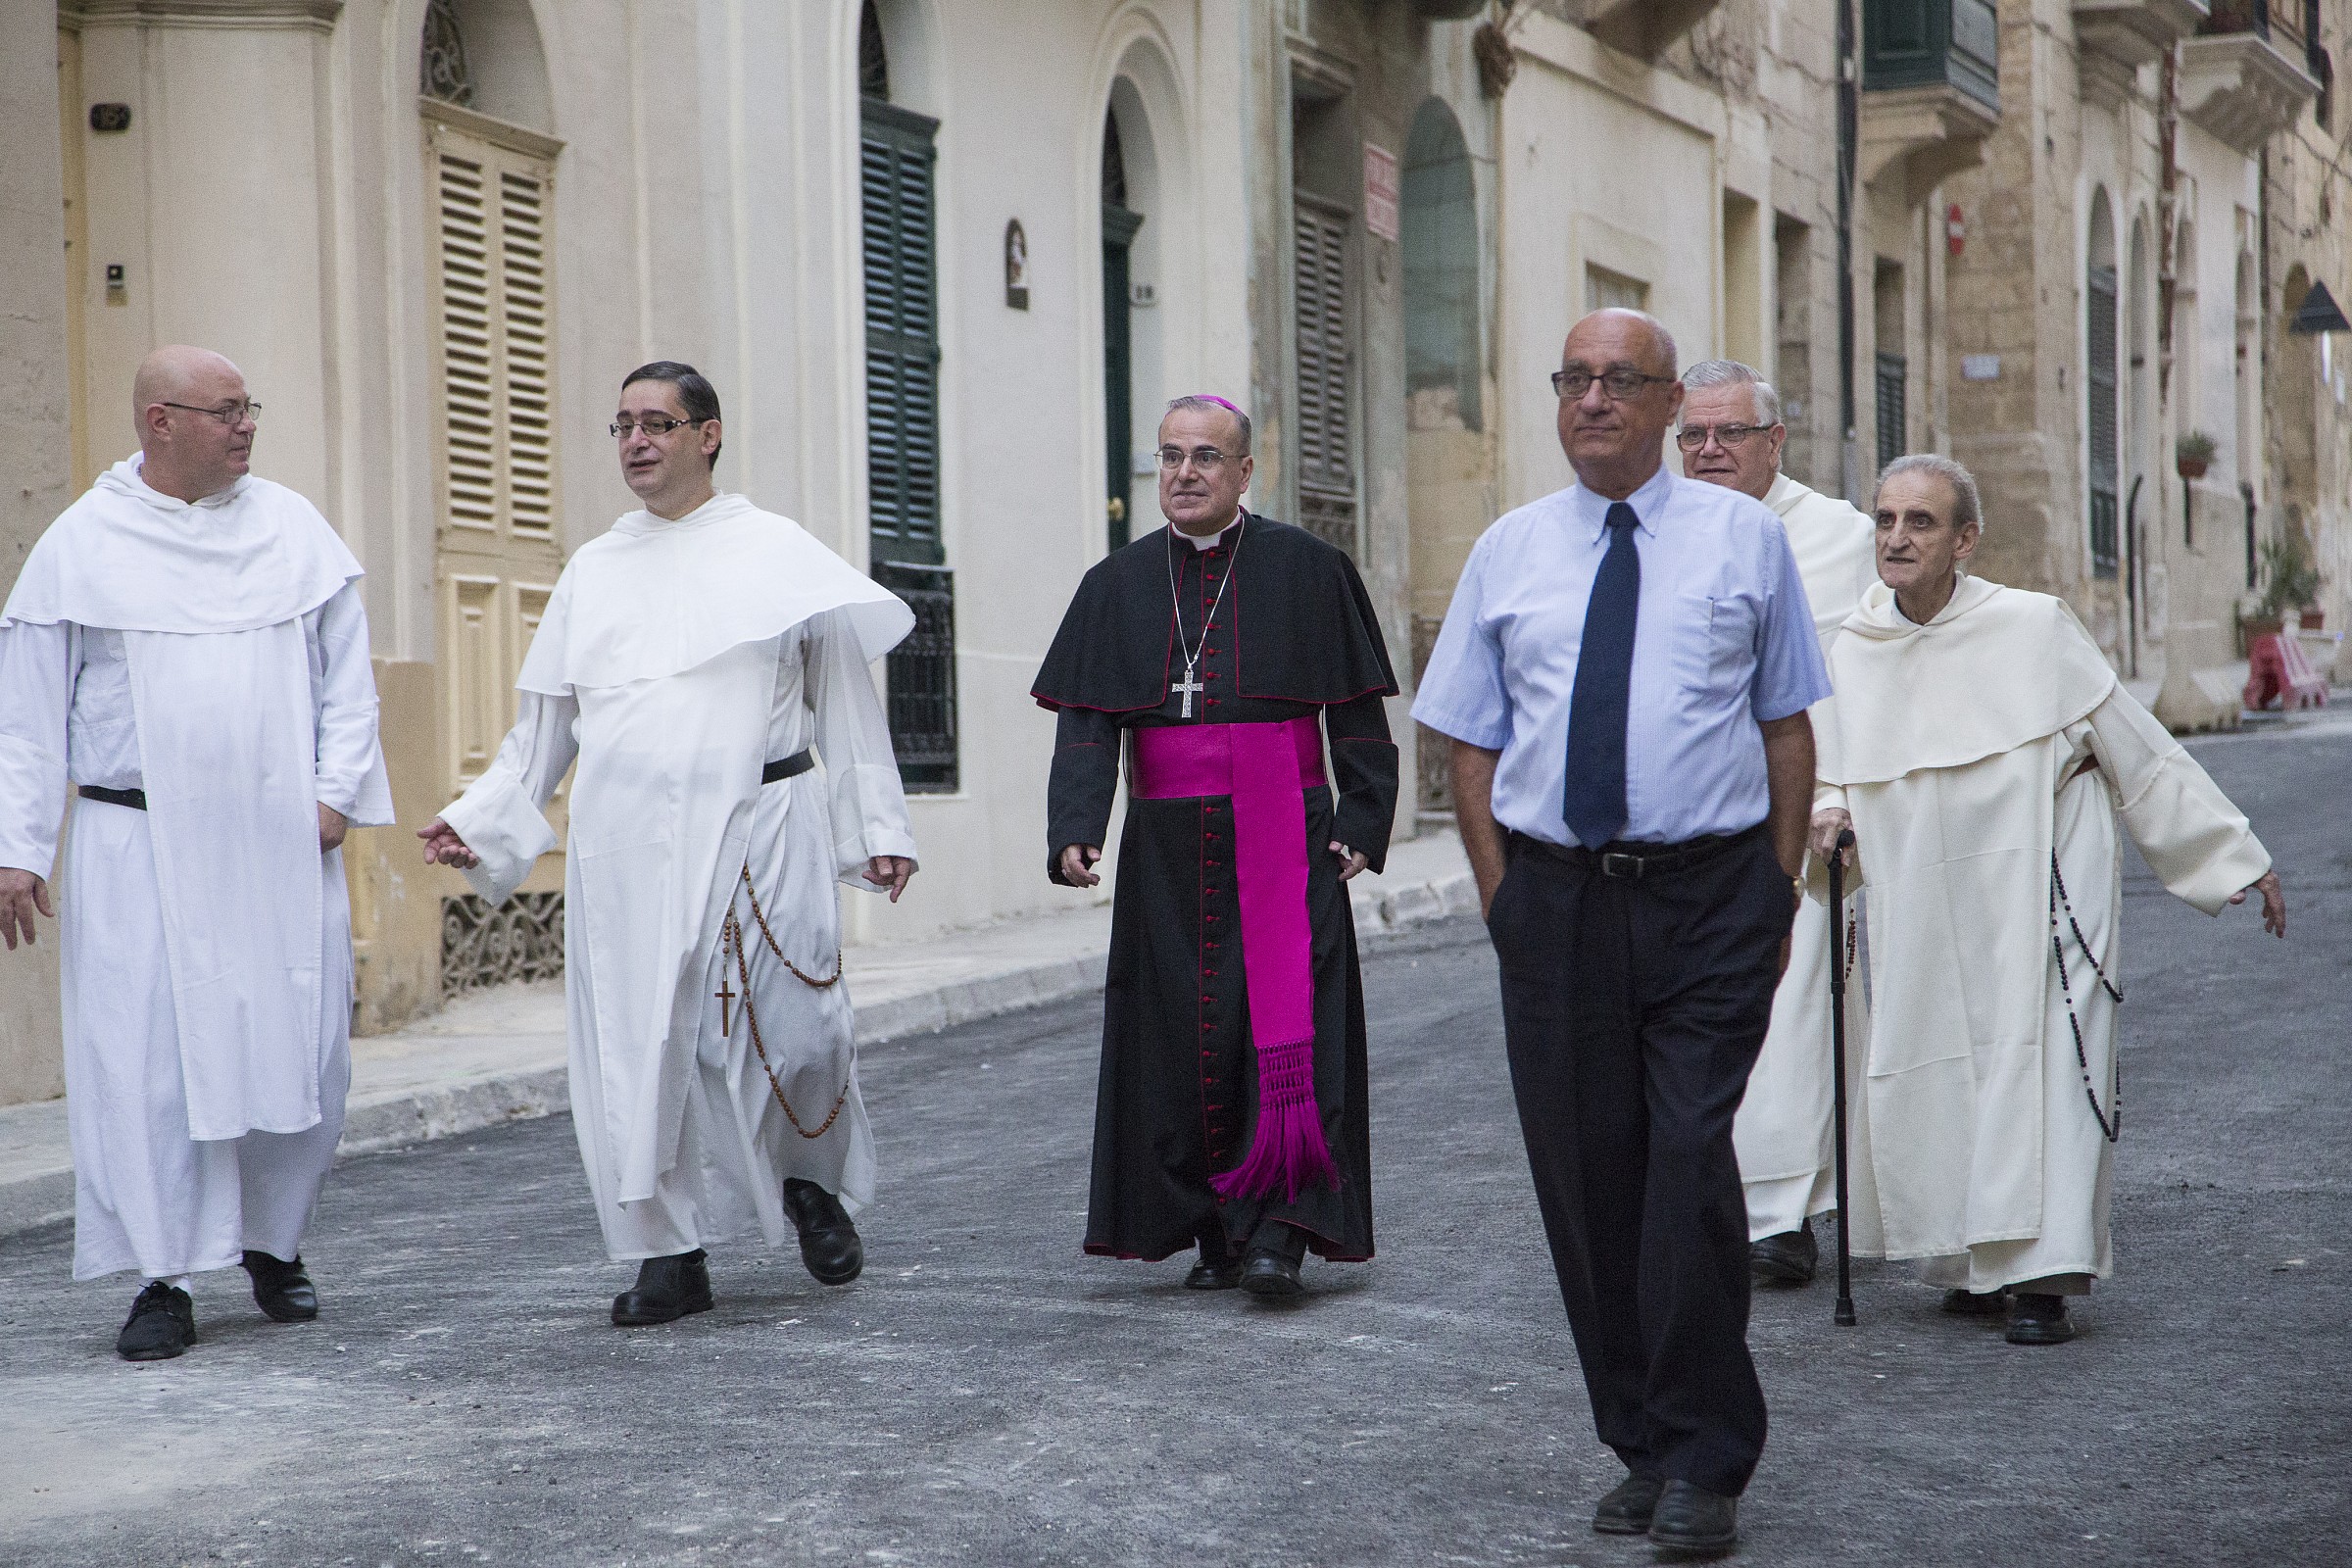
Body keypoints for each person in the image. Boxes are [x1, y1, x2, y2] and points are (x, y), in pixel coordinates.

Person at [1414, 311, 1829, 1553]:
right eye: (1575, 380)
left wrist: (1773, 889)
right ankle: (1642, 1440)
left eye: (1619, 381)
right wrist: (1503, 901)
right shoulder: (1509, 551)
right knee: (1588, 1182)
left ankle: (1708, 1454)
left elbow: (1787, 727)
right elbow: (1468, 743)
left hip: (1709, 901)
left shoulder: (1747, 543)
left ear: (1664, 404)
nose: (1592, 399)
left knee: (1688, 1160)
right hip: (1556, 901)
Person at [419, 362, 917, 1326]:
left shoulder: (778, 552)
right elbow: (543, 727)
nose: (637, 442)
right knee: (642, 1048)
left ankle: (809, 1180)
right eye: (622, 426)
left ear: (709, 434)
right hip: (627, 846)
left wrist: (877, 827)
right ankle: (668, 1251)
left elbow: (845, 703)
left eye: (657, 423)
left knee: (803, 1027)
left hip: (762, 823)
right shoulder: (593, 570)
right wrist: (483, 816)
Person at [1811, 454, 2286, 1346]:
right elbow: (1828, 770)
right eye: (1884, 520)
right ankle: (1968, 1257)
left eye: (1921, 522)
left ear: (1966, 539)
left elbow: (2134, 745)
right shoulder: (1851, 646)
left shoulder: (2032, 627)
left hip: (2044, 870)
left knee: (2046, 1063)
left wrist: (2231, 857)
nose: (1897, 537)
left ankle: (2042, 1276)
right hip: (1917, 884)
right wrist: (1829, 814)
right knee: (1932, 1055)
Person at [0, 346, 393, 1361]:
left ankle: (275, 1244)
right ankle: (163, 1274)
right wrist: (18, 848)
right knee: (147, 1063)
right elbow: (29, 717)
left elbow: (348, 681)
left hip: (275, 841)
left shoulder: (293, 529)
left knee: (298, 1046)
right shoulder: (84, 542)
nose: (246, 426)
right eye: (224, 411)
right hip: (136, 844)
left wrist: (336, 795)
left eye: (247, 407)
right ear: (158, 422)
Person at [1034, 395, 1398, 1299]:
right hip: (1164, 843)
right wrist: (1078, 826)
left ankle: (1280, 1230)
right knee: (1176, 1032)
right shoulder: (1115, 584)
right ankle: (1212, 1226)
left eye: (1205, 457)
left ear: (1245, 472)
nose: (1185, 473)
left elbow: (1356, 713)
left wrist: (1364, 817)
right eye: (1169, 457)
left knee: (1289, 1027)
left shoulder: (1309, 571)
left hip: (1284, 822)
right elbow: (1087, 725)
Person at [1678, 359, 1880, 1288]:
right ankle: (1702, 1193)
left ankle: (1783, 1213)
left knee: (1793, 1011)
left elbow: (1862, 683)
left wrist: (1836, 795)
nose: (1709, 451)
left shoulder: (1841, 539)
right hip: (1683, 814)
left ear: (1775, 442)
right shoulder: (1657, 528)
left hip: (1799, 812)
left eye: (1730, 435)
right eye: (1694, 436)